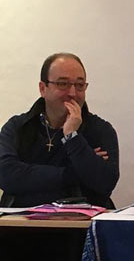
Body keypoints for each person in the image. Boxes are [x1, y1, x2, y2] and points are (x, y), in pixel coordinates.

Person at [0, 52, 119, 208]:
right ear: (43, 88)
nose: (73, 93)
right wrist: (72, 174)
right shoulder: (17, 127)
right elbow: (6, 175)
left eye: (80, 85)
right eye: (63, 84)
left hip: (82, 222)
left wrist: (72, 137)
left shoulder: (101, 130)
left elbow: (104, 183)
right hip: (20, 221)